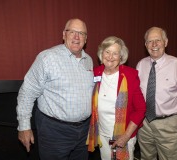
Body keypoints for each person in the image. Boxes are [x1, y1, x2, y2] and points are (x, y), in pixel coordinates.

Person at [16, 18, 94, 160]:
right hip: (54, 131)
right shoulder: (47, 58)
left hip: (84, 132)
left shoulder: (89, 60)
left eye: (81, 33)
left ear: (86, 38)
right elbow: (27, 92)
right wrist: (24, 127)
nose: (77, 37)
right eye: (72, 32)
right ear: (64, 34)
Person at [136, 26, 177, 160]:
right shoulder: (141, 65)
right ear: (145, 44)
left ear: (166, 42)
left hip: (168, 125)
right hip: (144, 124)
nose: (154, 45)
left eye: (158, 40)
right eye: (150, 41)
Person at [86, 36, 146, 160]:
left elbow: (141, 109)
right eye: (107, 52)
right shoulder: (95, 72)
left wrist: (126, 136)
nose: (110, 56)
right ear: (101, 54)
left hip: (124, 135)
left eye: (115, 53)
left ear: (121, 57)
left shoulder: (130, 75)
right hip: (102, 134)